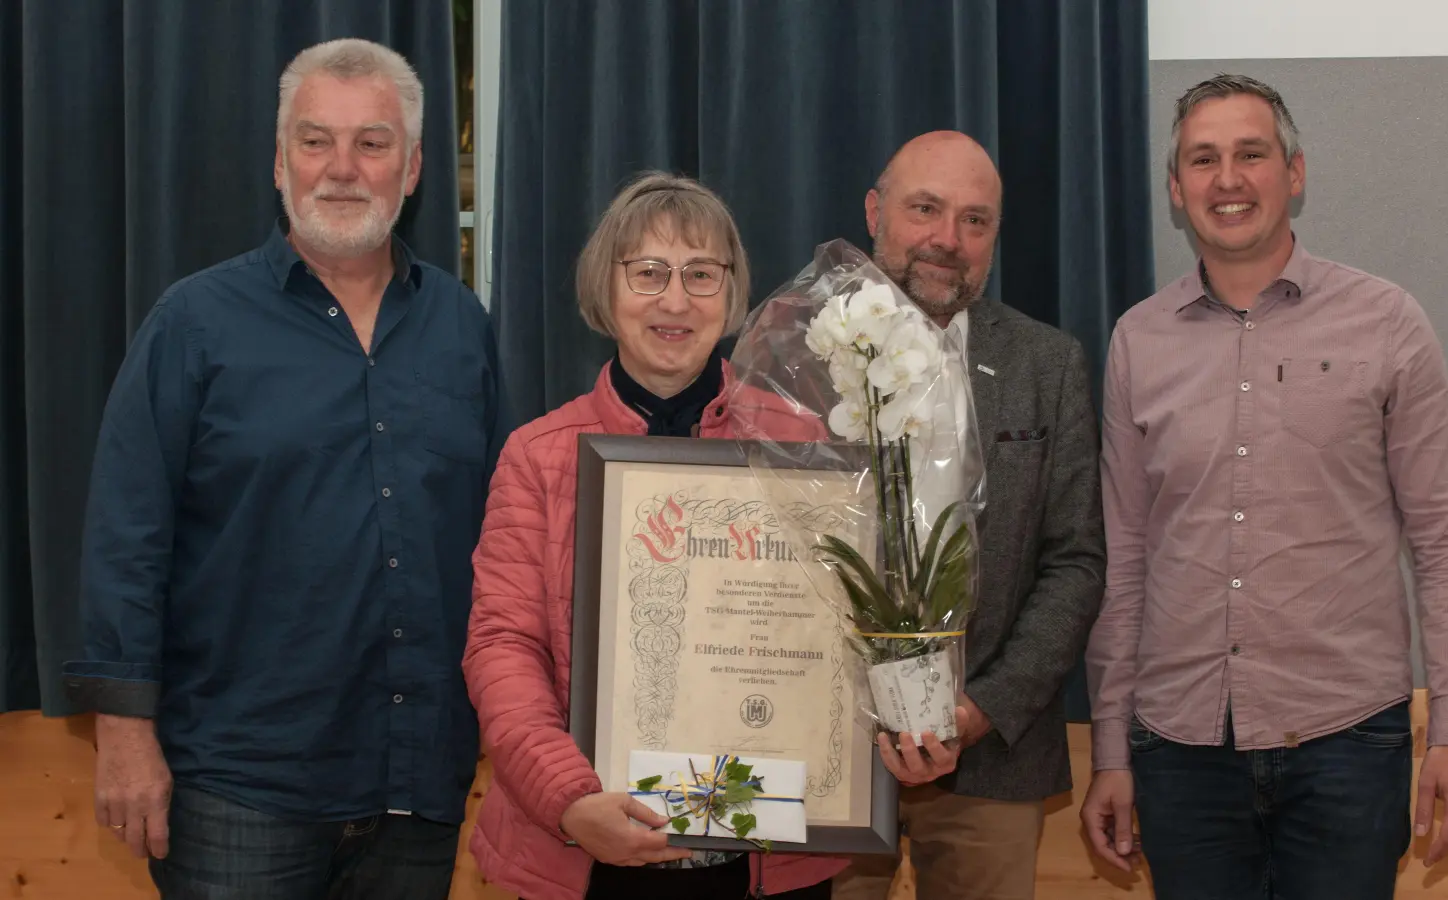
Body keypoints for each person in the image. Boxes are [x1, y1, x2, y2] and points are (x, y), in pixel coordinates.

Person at [62, 38, 507, 898]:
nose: (342, 168)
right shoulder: (192, 325)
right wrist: (123, 732)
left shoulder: (461, 327)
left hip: (416, 783)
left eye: (372, 143)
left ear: (413, 169)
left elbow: (500, 535)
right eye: (315, 141)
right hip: (239, 788)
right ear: (278, 163)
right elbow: (126, 535)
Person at [1081, 73, 1448, 899]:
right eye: (1203, 159)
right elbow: (1123, 558)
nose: (1226, 179)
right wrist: (1110, 749)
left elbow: (1447, 541)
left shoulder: (1387, 322)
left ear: (1294, 172)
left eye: (1250, 154)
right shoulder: (1138, 340)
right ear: (1175, 187)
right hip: (1180, 750)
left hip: (1347, 742)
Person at [462, 171, 843, 900]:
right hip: (589, 854)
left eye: (702, 274)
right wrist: (569, 798)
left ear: (732, 296)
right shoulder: (538, 455)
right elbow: (502, 646)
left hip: (767, 863)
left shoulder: (802, 445)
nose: (675, 300)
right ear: (606, 291)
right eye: (649, 273)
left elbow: (839, 635)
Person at [830, 131, 1107, 900]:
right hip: (831, 753)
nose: (947, 240)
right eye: (925, 209)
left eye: (975, 221)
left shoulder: (1046, 364)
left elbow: (1077, 559)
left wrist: (982, 708)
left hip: (992, 759)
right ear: (875, 211)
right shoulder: (805, 350)